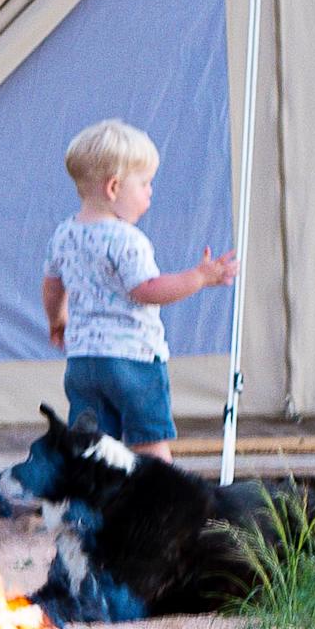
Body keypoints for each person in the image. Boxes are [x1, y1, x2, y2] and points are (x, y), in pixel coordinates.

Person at [41, 118, 235, 461]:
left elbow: (52, 284)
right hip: (134, 360)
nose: (150, 192)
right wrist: (200, 278)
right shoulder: (127, 239)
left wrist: (57, 319)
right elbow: (147, 289)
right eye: (144, 183)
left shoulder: (64, 234)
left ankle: (88, 510)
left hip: (83, 362)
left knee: (93, 447)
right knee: (149, 442)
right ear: (114, 188)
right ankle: (166, 505)